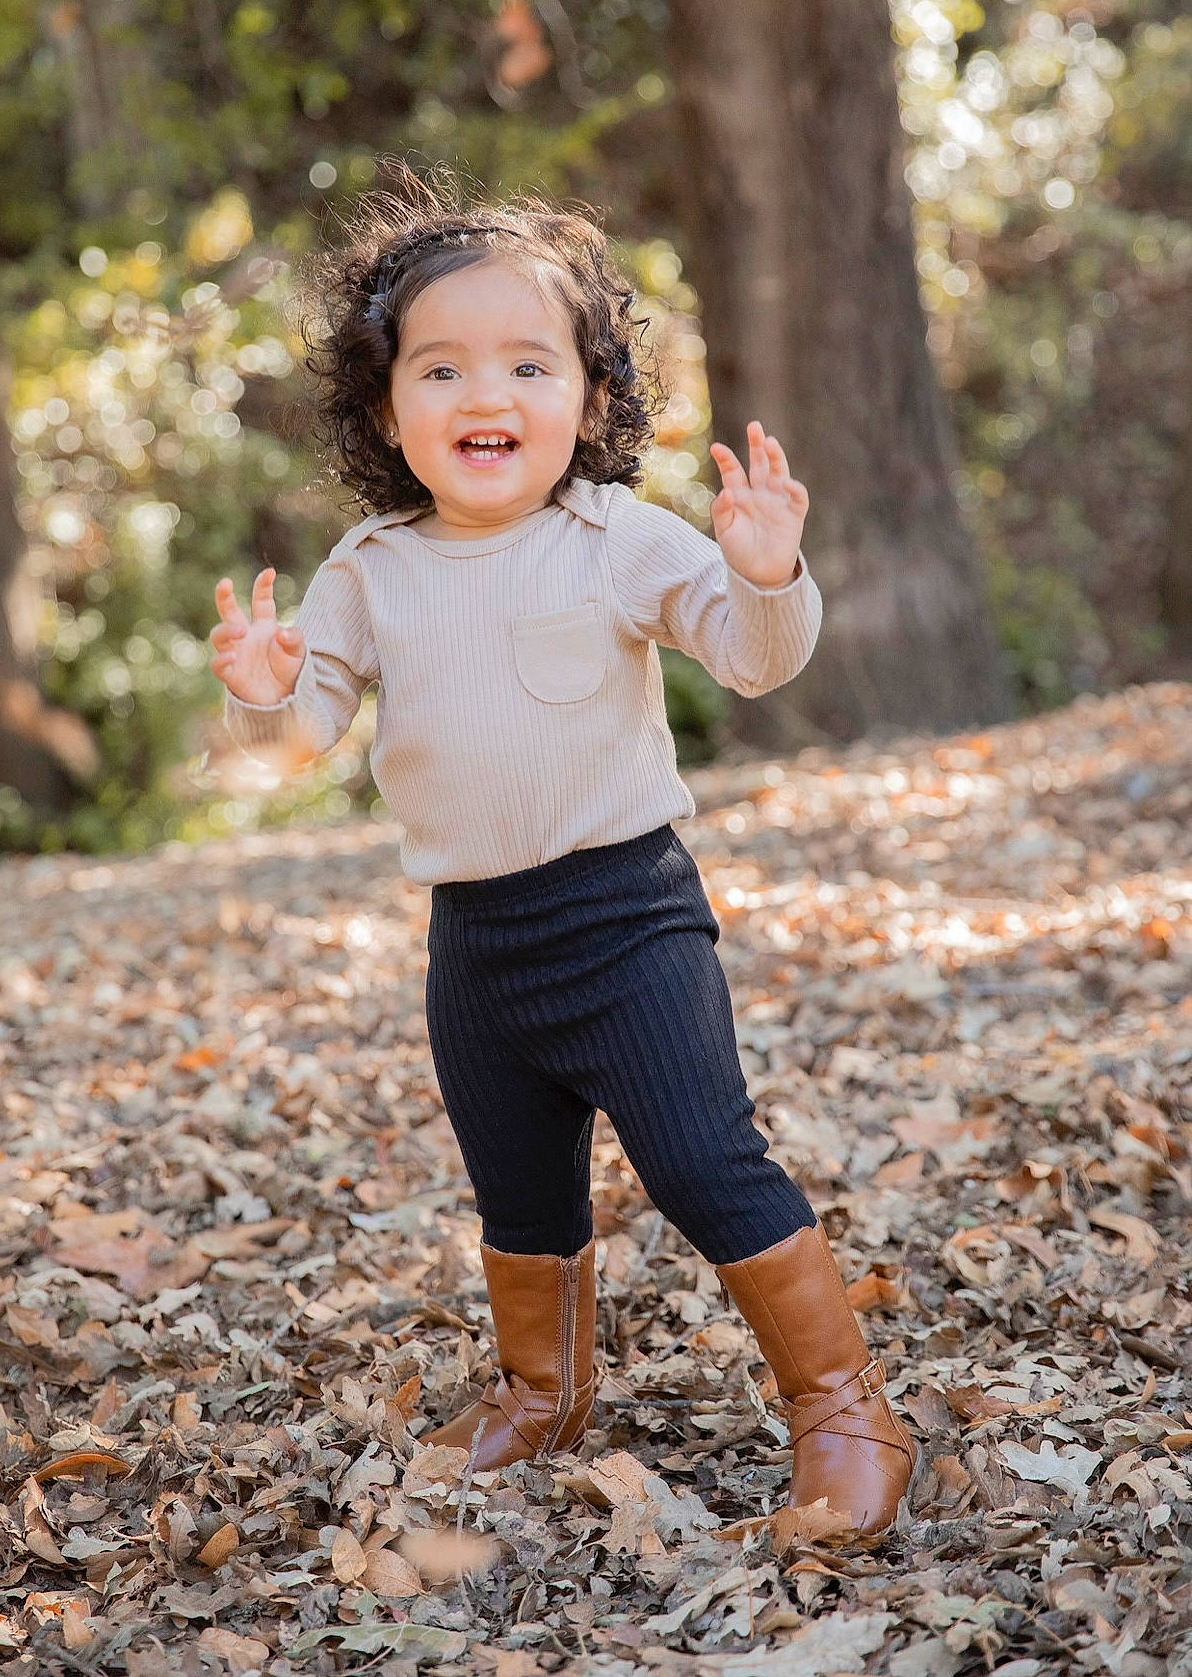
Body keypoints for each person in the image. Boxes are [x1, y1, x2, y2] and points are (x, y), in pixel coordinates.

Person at [208, 177, 918, 1538]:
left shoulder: (619, 539)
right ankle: (542, 1392)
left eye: (530, 363)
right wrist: (260, 688)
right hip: (475, 944)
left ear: (588, 401)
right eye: (444, 366)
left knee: (706, 1162)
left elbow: (753, 664)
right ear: (384, 409)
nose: (491, 392)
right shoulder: (370, 569)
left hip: (626, 921)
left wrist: (763, 576)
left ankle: (842, 1408)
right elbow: (295, 738)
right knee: (519, 1189)